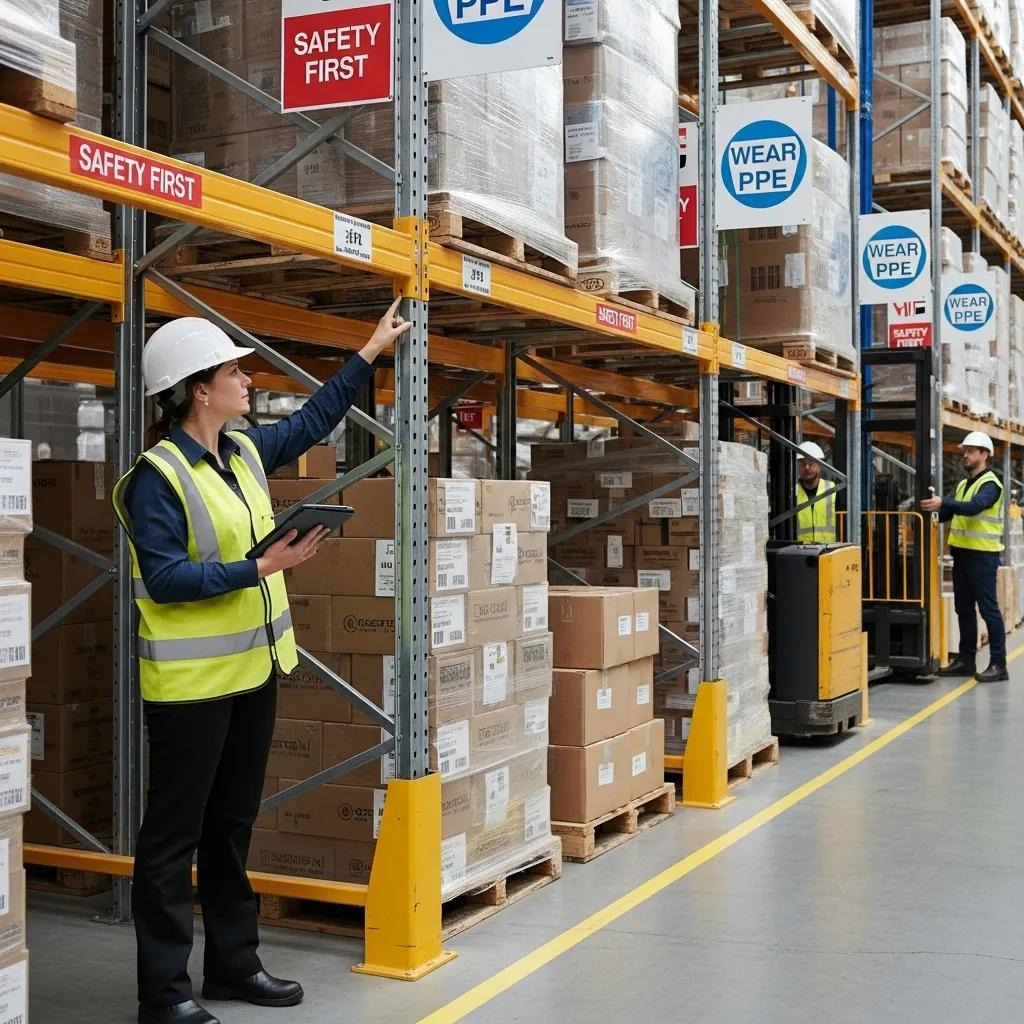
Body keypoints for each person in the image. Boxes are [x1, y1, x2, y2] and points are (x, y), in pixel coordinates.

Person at [112, 299, 412, 1024]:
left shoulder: (242, 451)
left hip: (252, 672)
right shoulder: (156, 477)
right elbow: (165, 580)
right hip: (189, 687)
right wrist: (262, 568)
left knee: (231, 824)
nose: (247, 381)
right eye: (234, 372)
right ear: (198, 389)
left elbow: (310, 423)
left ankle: (233, 965)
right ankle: (164, 994)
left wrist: (370, 350)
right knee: (173, 837)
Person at [920, 431, 1008, 683]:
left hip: (983, 556)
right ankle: (966, 661)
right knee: (963, 609)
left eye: (971, 451)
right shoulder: (962, 485)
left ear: (985, 454)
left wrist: (944, 503)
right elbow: (950, 513)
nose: (965, 455)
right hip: (961, 554)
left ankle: (999, 664)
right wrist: (930, 510)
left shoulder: (991, 483)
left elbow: (974, 507)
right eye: (965, 451)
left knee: (988, 610)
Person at [795, 441, 837, 543]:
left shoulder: (832, 489)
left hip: (828, 548)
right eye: (802, 463)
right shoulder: (792, 492)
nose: (807, 467)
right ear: (797, 466)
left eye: (811, 463)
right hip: (800, 549)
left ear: (819, 465)